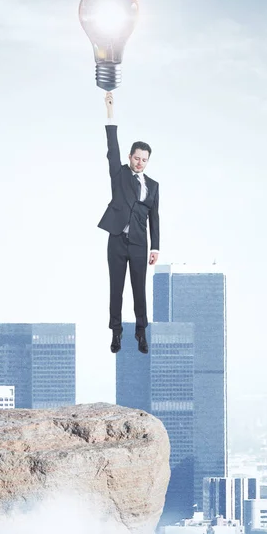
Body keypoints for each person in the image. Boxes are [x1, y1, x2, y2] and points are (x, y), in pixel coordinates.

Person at [98, 91, 160, 354]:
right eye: (136, 158)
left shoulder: (154, 186)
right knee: (116, 290)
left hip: (138, 244)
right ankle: (116, 332)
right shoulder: (120, 175)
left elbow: (154, 217)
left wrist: (155, 247)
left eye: (144, 160)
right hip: (116, 241)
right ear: (130, 157)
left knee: (139, 291)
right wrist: (110, 113)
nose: (139, 162)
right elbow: (112, 149)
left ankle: (141, 332)